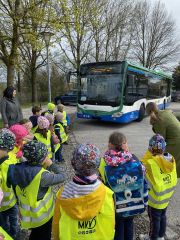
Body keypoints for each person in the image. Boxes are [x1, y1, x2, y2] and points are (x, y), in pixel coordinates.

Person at [52, 142, 115, 240]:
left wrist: (56, 237)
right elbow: (111, 220)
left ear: (73, 164)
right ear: (98, 164)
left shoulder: (62, 193)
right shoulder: (106, 192)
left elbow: (56, 223)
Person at [99, 131, 148, 240]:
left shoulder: (103, 163)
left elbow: (100, 182)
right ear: (125, 143)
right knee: (129, 225)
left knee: (118, 228)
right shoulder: (134, 160)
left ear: (109, 144)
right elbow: (144, 171)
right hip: (132, 203)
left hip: (115, 205)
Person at [13, 140, 67, 240]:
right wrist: (51, 164)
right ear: (42, 158)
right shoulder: (42, 176)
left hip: (28, 213)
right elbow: (63, 176)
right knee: (44, 235)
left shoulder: (18, 169)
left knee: (35, 233)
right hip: (42, 216)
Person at [139, 134, 177, 240]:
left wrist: (149, 152)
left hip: (155, 200)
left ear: (151, 148)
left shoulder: (151, 163)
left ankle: (152, 238)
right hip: (165, 197)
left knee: (154, 220)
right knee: (163, 217)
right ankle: (161, 237)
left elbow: (140, 166)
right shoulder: (170, 160)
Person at [0, 128, 27, 239]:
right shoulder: (9, 164)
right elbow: (15, 183)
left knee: (2, 221)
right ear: (7, 150)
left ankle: (5, 234)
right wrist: (20, 201)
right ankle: (14, 234)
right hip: (9, 202)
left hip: (1, 205)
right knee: (13, 218)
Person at [145, 102, 180, 178]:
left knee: (164, 162)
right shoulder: (166, 112)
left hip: (175, 142)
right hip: (177, 139)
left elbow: (160, 140)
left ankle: (167, 180)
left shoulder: (158, 120)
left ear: (147, 112)